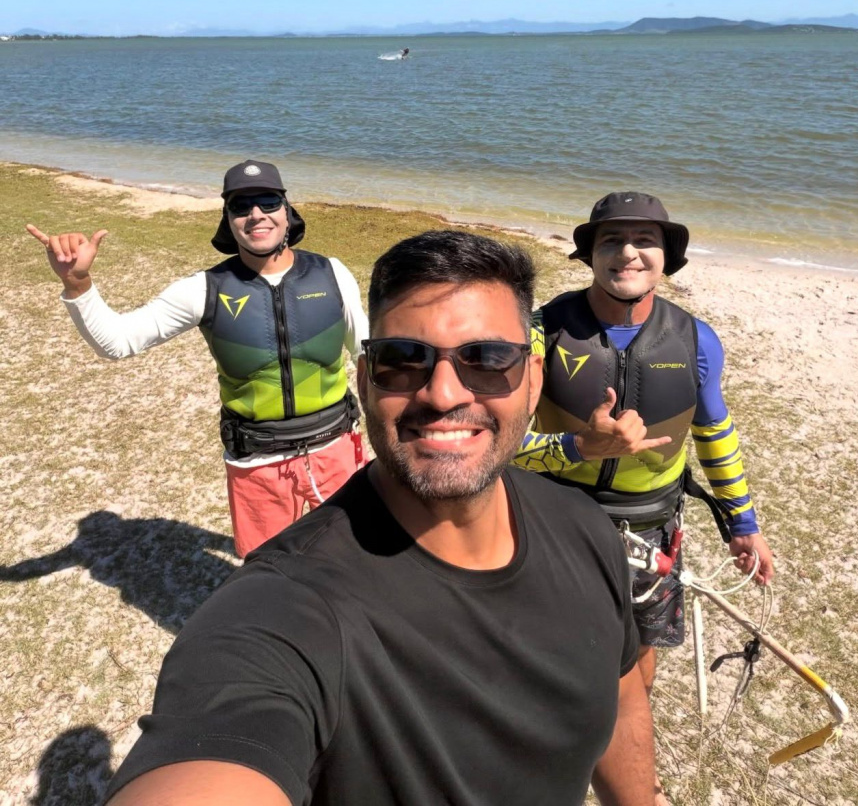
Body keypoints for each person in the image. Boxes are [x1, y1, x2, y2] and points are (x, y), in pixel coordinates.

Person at [104, 230, 655, 806]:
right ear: (365, 380)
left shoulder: (585, 529)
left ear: (534, 379)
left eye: (488, 359)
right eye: (403, 360)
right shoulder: (287, 609)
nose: (443, 394)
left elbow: (620, 696)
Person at [513, 193, 774, 803]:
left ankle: (626, 748)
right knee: (549, 652)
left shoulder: (696, 339)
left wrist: (742, 523)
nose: (628, 253)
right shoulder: (542, 332)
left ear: (667, 256)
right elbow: (505, 445)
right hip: (556, 521)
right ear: (589, 254)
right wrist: (579, 447)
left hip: (652, 528)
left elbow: (714, 432)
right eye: (611, 240)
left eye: (645, 241)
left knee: (640, 653)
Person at [27, 160, 367, 557]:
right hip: (257, 463)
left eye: (268, 201)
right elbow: (117, 342)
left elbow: (367, 353)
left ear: (287, 212)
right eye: (241, 206)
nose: (256, 214)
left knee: (353, 562)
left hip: (338, 449)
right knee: (270, 575)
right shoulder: (205, 289)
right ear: (228, 220)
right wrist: (76, 283)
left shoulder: (331, 273)